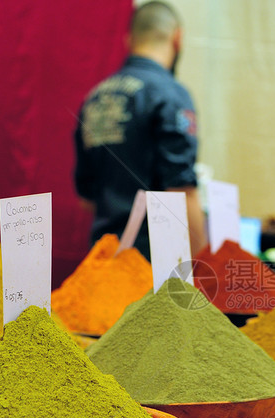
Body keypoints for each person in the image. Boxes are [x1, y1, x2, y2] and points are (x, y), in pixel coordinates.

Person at [74, 1, 207, 259]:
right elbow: (182, 191)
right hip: (154, 267)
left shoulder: (95, 98)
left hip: (101, 262)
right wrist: (203, 268)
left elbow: (86, 200)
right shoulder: (170, 96)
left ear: (129, 41)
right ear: (177, 38)